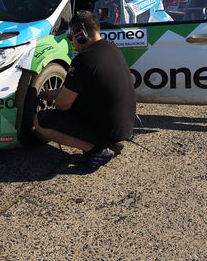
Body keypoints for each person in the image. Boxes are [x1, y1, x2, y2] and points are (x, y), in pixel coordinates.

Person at [33, 11, 136, 173]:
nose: (71, 41)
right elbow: (86, 86)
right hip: (125, 126)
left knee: (41, 121)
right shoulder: (111, 47)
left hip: (109, 128)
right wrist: (55, 92)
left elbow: (62, 105)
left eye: (71, 36)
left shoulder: (84, 60)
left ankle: (98, 150)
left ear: (81, 34)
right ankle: (107, 142)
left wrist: (57, 97)